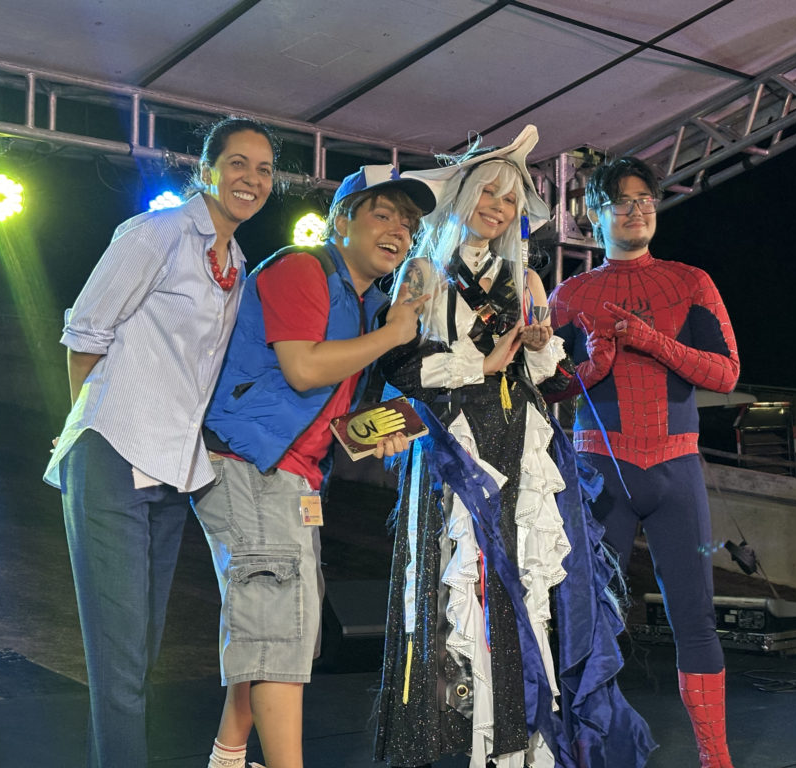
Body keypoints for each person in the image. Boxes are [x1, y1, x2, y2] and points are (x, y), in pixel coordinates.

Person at [373, 125, 655, 768]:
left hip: (521, 444)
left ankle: (521, 745)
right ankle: (455, 742)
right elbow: (398, 366)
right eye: (488, 193)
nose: (498, 208)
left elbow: (552, 383)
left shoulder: (526, 278)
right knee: (455, 587)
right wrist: (481, 362)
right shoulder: (422, 272)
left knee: (524, 589)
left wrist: (541, 350)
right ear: (463, 195)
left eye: (509, 199)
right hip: (454, 448)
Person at [43, 116, 279, 768]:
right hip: (114, 452)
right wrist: (95, 421)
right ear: (206, 169)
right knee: (121, 660)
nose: (251, 179)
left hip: (174, 472)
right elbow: (85, 335)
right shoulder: (157, 234)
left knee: (140, 653)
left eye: (263, 169)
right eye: (237, 163)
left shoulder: (236, 265)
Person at [192, 164, 438, 768]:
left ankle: (228, 758)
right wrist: (393, 333)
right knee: (280, 634)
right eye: (383, 214)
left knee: (282, 629)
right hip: (251, 467)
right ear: (341, 221)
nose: (399, 232)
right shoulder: (304, 268)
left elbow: (324, 404)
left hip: (293, 476)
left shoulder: (365, 303)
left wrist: (375, 430)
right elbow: (303, 369)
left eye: (408, 225)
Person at [548, 156, 740, 768]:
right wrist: (596, 365)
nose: (636, 211)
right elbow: (546, 390)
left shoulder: (691, 282)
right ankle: (583, 751)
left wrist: (652, 341)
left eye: (645, 200)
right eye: (622, 201)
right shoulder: (569, 295)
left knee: (696, 618)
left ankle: (716, 757)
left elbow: (727, 373)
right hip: (598, 471)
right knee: (584, 619)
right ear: (593, 214)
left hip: (674, 468)